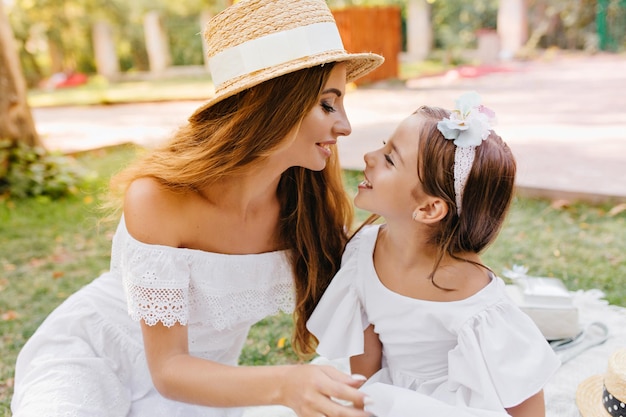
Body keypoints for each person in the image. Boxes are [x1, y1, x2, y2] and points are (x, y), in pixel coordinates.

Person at [10, 0, 384, 416]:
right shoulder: (158, 199)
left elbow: (367, 314)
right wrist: (284, 383)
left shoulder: (310, 207)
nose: (345, 126)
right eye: (327, 104)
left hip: (204, 387)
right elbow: (168, 368)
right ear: (272, 106)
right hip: (95, 361)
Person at [307, 92, 561, 417]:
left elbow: (522, 390)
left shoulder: (475, 298)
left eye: (389, 158)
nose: (370, 156)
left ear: (428, 208)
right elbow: (366, 356)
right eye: (384, 146)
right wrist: (362, 405)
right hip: (390, 396)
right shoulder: (364, 251)